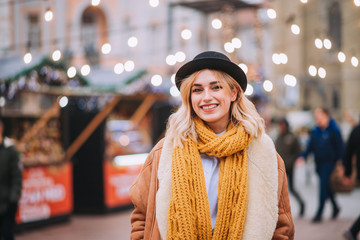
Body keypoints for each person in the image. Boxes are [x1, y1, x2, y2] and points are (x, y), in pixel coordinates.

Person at [129, 51, 294, 239]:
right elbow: (141, 216)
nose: (206, 97)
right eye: (197, 90)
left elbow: (282, 225)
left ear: (234, 92)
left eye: (216, 87)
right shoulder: (165, 151)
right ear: (189, 98)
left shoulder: (262, 152)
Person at [298, 107, 344, 223]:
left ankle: (319, 213)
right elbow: (310, 146)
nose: (316, 118)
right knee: (327, 187)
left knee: (323, 187)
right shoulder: (316, 130)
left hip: (329, 163)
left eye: (318, 116)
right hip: (318, 164)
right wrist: (303, 156)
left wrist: (343, 164)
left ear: (326, 115)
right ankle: (335, 207)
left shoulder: (334, 130)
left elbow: (341, 148)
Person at [275, 118, 305, 217]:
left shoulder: (292, 137)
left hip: (289, 167)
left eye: (282, 125)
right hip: (280, 168)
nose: (281, 127)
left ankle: (302, 204)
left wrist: (292, 161)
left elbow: (298, 151)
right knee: (278, 189)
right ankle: (279, 212)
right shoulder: (278, 137)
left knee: (291, 188)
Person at [0, 119, 22, 240]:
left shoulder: (10, 150)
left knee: (7, 234)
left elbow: (17, 176)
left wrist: (13, 198)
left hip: (7, 203)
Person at [343, 123, 360, 240]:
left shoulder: (356, 129)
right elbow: (348, 152)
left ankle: (353, 231)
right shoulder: (357, 130)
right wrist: (347, 173)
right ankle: (353, 230)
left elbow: (348, 152)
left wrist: (348, 173)